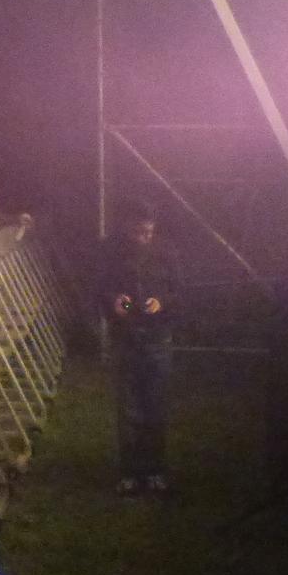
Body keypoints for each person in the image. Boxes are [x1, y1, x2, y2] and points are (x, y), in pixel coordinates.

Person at [102, 202, 177, 495]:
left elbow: (178, 289)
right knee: (129, 409)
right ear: (127, 226)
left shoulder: (167, 252)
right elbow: (100, 287)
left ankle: (155, 469)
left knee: (155, 407)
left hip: (158, 339)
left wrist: (163, 302)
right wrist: (114, 301)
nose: (143, 236)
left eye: (148, 231)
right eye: (138, 231)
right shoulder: (111, 251)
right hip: (126, 338)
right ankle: (130, 472)